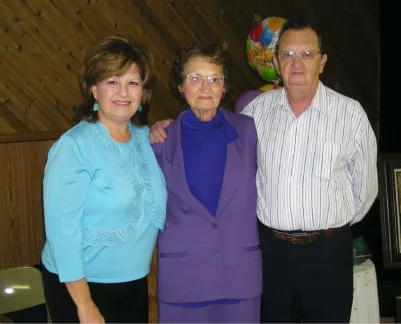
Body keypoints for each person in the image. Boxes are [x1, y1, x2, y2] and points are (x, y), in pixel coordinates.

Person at [150, 22, 378, 323]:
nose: (297, 63)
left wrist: (327, 228)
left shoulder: (351, 115)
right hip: (273, 256)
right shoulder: (254, 115)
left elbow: (366, 190)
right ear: (276, 62)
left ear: (322, 62)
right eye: (288, 54)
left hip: (328, 253)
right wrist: (161, 126)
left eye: (307, 54)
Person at [40, 36, 167, 323]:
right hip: (80, 285)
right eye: (112, 81)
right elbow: (62, 233)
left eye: (133, 82)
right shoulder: (74, 146)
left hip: (133, 283)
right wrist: (84, 304)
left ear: (143, 92)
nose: (123, 91)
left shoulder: (146, 139)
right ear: (93, 89)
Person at [151, 42, 261, 323]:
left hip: (239, 277)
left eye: (214, 78)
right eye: (195, 78)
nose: (205, 87)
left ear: (224, 87)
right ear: (180, 86)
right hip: (183, 281)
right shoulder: (160, 143)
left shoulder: (249, 130)